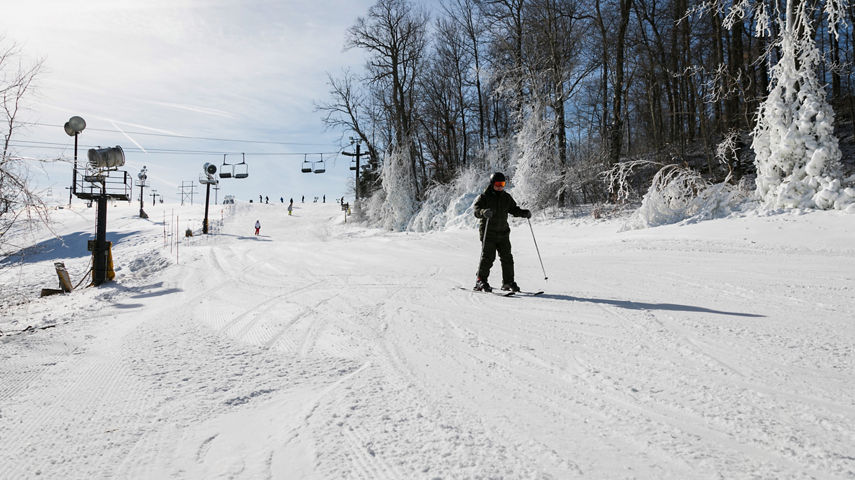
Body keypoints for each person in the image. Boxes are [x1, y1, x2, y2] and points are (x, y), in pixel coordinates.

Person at [472, 172, 531, 292]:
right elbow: (476, 210)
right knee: (488, 257)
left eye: (502, 184)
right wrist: (483, 212)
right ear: (492, 184)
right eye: (498, 184)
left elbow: (514, 209)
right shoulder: (484, 197)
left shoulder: (506, 197)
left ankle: (508, 282)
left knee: (507, 258)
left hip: (503, 232)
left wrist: (524, 213)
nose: (500, 186)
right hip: (488, 232)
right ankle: (480, 280)